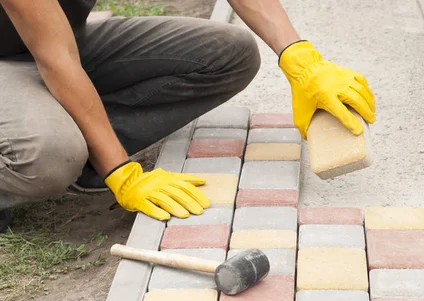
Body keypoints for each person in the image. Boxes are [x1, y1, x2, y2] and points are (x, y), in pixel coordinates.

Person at [0, 0, 376, 233]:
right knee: (46, 156)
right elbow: (55, 58)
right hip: (24, 54)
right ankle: (49, 152)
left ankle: (85, 150)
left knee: (229, 54)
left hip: (62, 40)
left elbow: (62, 49)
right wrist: (121, 171)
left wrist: (300, 59)